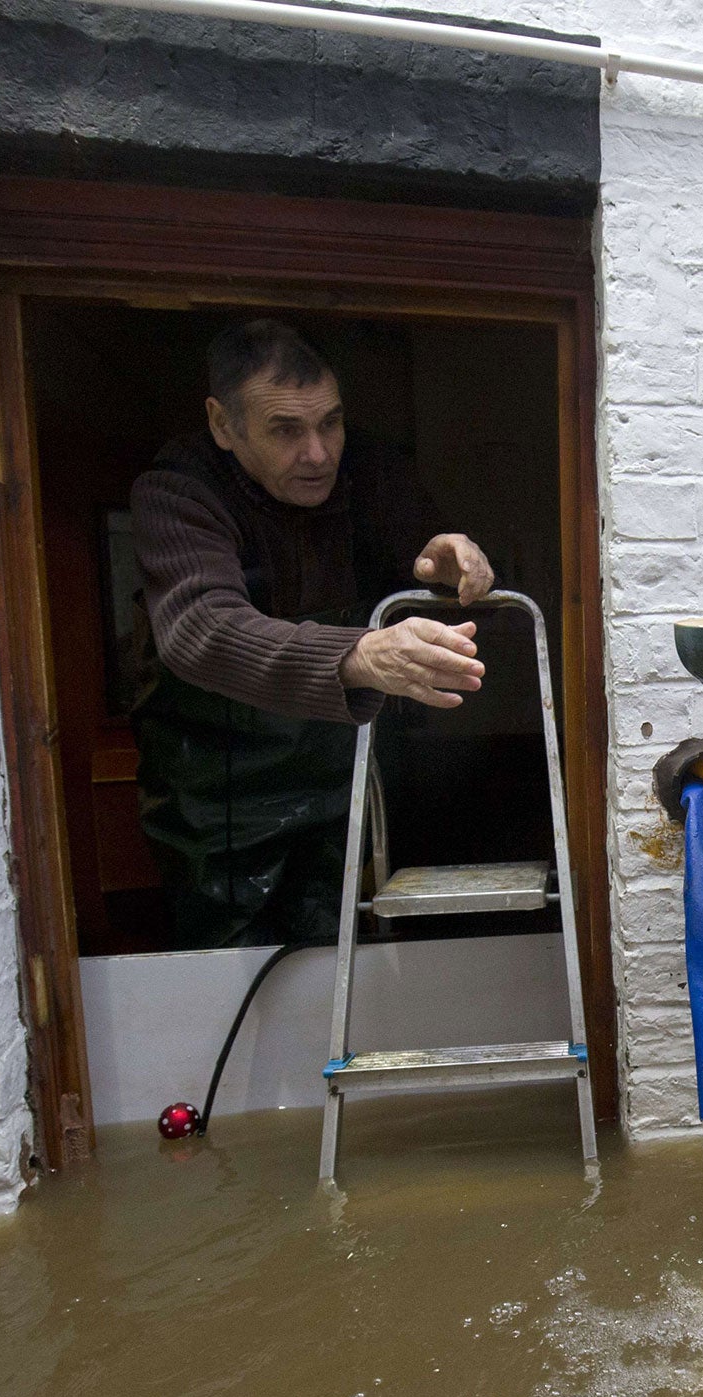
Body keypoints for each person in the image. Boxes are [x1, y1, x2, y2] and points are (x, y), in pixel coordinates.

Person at [130, 318, 494, 948]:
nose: (319, 452)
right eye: (285, 430)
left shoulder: (370, 472)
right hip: (221, 806)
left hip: (351, 785)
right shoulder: (177, 492)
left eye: (331, 422)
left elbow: (438, 568)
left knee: (363, 967)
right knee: (237, 988)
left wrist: (447, 568)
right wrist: (356, 654)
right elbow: (201, 628)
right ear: (223, 424)